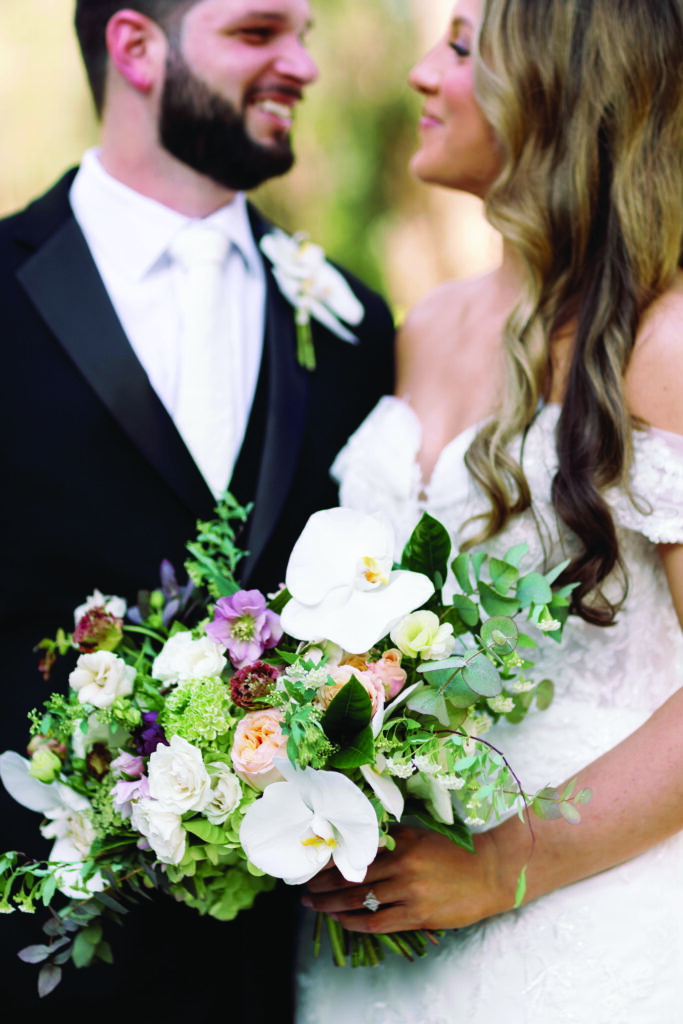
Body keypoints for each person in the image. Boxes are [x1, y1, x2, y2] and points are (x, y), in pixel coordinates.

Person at [0, 0, 394, 1012]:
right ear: (136, 47)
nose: (301, 64)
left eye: (304, 33)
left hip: (278, 963)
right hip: (33, 953)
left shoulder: (352, 324)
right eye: (260, 34)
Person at [296, 0, 683, 1020]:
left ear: (560, 93)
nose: (422, 76)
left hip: (591, 911)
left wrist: (507, 862)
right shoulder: (423, 326)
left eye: (462, 49)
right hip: (378, 915)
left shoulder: (663, 343)